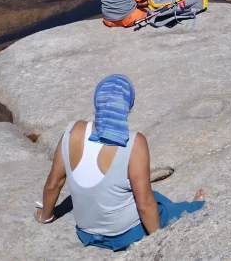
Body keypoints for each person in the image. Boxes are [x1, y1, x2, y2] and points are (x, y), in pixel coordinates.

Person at [34, 75, 205, 251]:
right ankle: (195, 206)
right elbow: (144, 204)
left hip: (85, 232)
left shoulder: (72, 131)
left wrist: (45, 216)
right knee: (163, 206)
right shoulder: (134, 143)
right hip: (126, 235)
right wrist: (157, 244)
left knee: (155, 196)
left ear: (97, 102)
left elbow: (53, 185)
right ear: (128, 106)